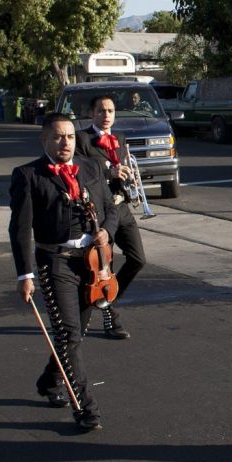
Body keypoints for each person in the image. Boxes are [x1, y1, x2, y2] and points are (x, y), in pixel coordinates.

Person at [8, 112, 118, 431]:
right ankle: (85, 407)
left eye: (69, 136)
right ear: (44, 139)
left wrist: (107, 232)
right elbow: (19, 229)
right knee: (69, 333)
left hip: (92, 262)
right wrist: (24, 275)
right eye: (57, 137)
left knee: (75, 333)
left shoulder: (92, 167)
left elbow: (111, 209)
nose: (65, 142)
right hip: (54, 261)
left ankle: (49, 381)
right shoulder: (28, 175)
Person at [76, 94, 146, 339]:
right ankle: (108, 319)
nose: (107, 115)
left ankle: (107, 301)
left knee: (138, 259)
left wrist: (132, 179)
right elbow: (82, 174)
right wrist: (110, 173)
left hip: (121, 206)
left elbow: (124, 168)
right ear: (93, 113)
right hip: (100, 211)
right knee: (103, 266)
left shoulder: (120, 138)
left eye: (111, 111)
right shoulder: (83, 139)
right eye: (102, 110)